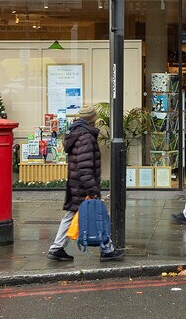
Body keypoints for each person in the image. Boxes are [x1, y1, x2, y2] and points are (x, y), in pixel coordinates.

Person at [48, 107, 119, 261]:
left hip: (77, 184)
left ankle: (57, 248)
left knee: (71, 216)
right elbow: (85, 166)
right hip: (83, 186)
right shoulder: (86, 136)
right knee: (97, 215)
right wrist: (92, 189)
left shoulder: (77, 132)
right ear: (92, 119)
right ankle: (107, 249)